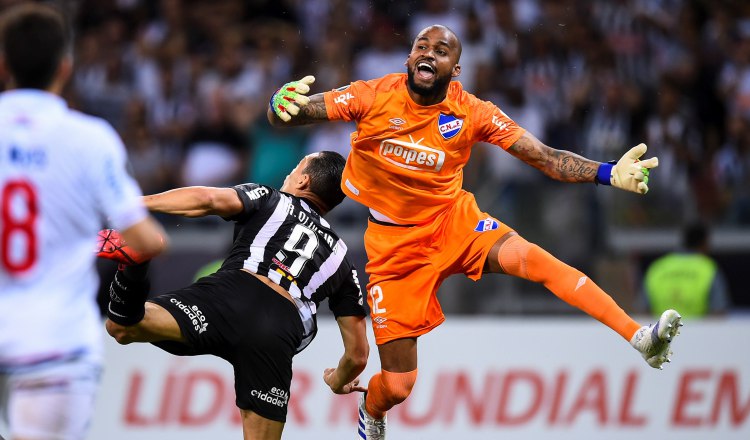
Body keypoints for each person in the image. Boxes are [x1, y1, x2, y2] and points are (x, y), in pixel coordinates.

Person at [266, 24, 684, 439]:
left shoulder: (473, 112)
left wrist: (610, 173)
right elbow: (291, 111)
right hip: (394, 251)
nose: (429, 53)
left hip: (453, 223)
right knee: (398, 386)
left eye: (442, 50)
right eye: (421, 46)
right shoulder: (372, 95)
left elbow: (546, 157)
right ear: (410, 59)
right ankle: (371, 409)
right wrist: (277, 101)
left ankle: (639, 337)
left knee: (535, 260)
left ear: (456, 69)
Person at [97, 151, 369, 440]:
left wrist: (134, 207)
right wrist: (338, 380)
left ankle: (136, 264)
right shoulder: (343, 259)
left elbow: (209, 200)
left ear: (303, 180)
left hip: (232, 296)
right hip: (277, 332)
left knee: (124, 326)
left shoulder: (271, 198)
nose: (288, 174)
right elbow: (358, 355)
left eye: (294, 168)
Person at [0, 4, 168, 440]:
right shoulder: (89, 139)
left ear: (3, 65)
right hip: (55, 345)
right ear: (65, 66)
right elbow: (145, 240)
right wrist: (91, 238)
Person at [642, 222, 731, 318]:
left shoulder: (658, 267)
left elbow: (643, 312)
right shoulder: (708, 268)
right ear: (704, 243)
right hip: (699, 331)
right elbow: (719, 313)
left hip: (662, 332)